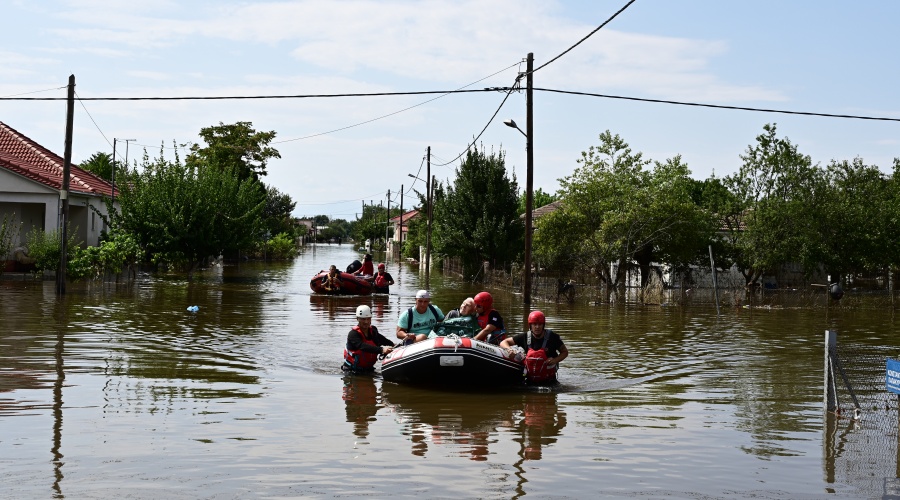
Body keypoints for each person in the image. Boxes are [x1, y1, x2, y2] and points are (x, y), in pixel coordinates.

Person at [500, 310, 568, 384]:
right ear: (530, 325)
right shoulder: (524, 337)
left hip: (549, 381)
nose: (537, 327)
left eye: (540, 324)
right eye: (534, 324)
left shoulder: (553, 337)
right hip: (530, 381)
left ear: (543, 325)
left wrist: (555, 360)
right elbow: (504, 342)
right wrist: (509, 350)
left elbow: (565, 352)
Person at [343, 304, 394, 372]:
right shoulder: (353, 334)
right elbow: (362, 346)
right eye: (363, 319)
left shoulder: (373, 331)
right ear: (357, 319)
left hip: (369, 369)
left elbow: (383, 340)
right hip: (351, 371)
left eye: (368, 319)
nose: (366, 322)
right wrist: (381, 350)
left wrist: (394, 346)